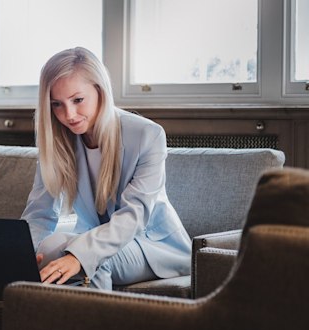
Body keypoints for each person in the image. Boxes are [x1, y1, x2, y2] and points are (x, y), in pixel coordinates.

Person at [22, 47, 191, 289]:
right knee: (49, 248)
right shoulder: (58, 142)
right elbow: (39, 214)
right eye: (57, 104)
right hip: (91, 236)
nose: (68, 115)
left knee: (93, 261)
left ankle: (95, 327)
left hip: (151, 245)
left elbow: (134, 215)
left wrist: (80, 256)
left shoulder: (148, 135)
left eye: (78, 100)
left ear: (100, 90)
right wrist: (23, 254)